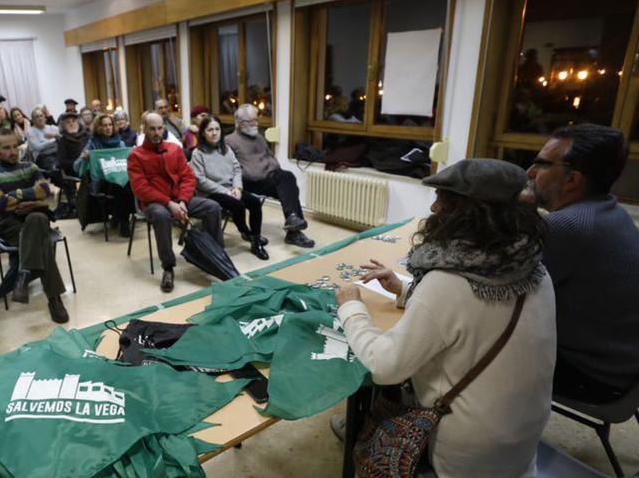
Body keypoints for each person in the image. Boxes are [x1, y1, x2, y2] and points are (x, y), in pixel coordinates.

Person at [332, 158, 555, 477]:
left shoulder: (448, 283)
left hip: (468, 456)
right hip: (521, 445)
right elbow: (477, 316)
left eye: (444, 201)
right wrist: (406, 290)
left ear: (469, 214)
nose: (435, 208)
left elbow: (384, 368)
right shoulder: (535, 269)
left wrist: (351, 306)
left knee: (384, 386)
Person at [523, 124, 639, 401]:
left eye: (541, 164)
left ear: (572, 179)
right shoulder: (610, 211)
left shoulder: (569, 226)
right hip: (623, 366)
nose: (529, 172)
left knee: (461, 339)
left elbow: (502, 292)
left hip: (592, 374)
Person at [0, 128, 70, 323]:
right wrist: (30, 197)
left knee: (37, 219)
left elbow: (45, 191)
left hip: (35, 215)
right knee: (42, 238)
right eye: (6, 148)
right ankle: (54, 299)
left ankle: (24, 273)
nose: (12, 151)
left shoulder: (30, 167)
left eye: (14, 146)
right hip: (9, 224)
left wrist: (20, 198)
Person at [128, 113, 223, 293]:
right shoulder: (136, 156)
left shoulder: (174, 149)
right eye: (152, 128)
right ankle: (168, 267)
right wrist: (169, 203)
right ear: (144, 129)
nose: (157, 132)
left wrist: (182, 201)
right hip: (153, 202)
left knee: (212, 207)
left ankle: (214, 256)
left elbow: (188, 177)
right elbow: (141, 189)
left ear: (164, 128)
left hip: (179, 199)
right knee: (161, 215)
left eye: (160, 128)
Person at [225, 103, 315, 248]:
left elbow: (271, 158)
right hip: (247, 183)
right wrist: (257, 171)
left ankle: (293, 223)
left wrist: (269, 168)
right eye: (251, 121)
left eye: (256, 120)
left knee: (287, 180)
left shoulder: (259, 137)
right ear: (240, 123)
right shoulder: (229, 141)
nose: (255, 124)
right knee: (288, 184)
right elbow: (230, 169)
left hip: (268, 178)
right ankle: (294, 229)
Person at [190, 116, 268, 260]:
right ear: (203, 133)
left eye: (217, 129)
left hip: (231, 188)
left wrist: (237, 188)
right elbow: (200, 180)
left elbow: (237, 169)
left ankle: (256, 241)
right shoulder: (198, 153)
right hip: (210, 193)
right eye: (210, 130)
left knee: (254, 203)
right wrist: (225, 191)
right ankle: (246, 232)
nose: (214, 133)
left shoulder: (226, 149)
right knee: (237, 205)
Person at [76, 113, 132, 237]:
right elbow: (76, 167)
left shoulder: (121, 144)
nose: (108, 128)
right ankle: (123, 221)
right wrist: (84, 158)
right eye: (104, 125)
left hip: (120, 180)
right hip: (101, 182)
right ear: (98, 128)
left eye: (110, 125)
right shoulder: (92, 144)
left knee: (126, 184)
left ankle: (121, 218)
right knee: (121, 186)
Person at [26, 107, 60, 175]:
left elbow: (64, 137)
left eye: (41, 116)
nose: (40, 118)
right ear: (33, 120)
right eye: (37, 117)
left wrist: (55, 136)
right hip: (43, 157)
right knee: (56, 169)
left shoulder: (52, 128)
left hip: (58, 153)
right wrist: (55, 139)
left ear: (45, 117)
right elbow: (38, 147)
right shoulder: (30, 132)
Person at [57, 111, 89, 178]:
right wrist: (80, 161)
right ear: (64, 126)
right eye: (68, 122)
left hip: (90, 165)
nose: (71, 124)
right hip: (74, 169)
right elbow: (62, 162)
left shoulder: (87, 136)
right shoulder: (62, 141)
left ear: (78, 123)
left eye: (73, 121)